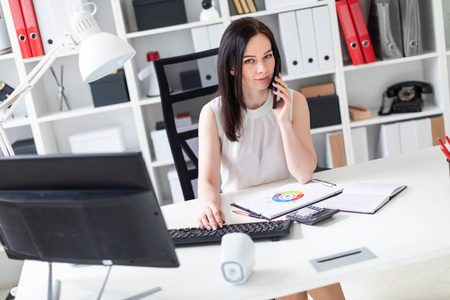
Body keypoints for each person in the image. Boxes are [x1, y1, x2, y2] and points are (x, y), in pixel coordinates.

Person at [197, 17, 345, 300]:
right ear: (231, 66)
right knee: (292, 287)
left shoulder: (295, 101)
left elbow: (303, 174)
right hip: (248, 220)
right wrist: (207, 204)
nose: (263, 69)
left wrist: (283, 121)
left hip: (294, 209)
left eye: (267, 57)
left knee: (320, 277)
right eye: (249, 61)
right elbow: (206, 179)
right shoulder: (213, 114)